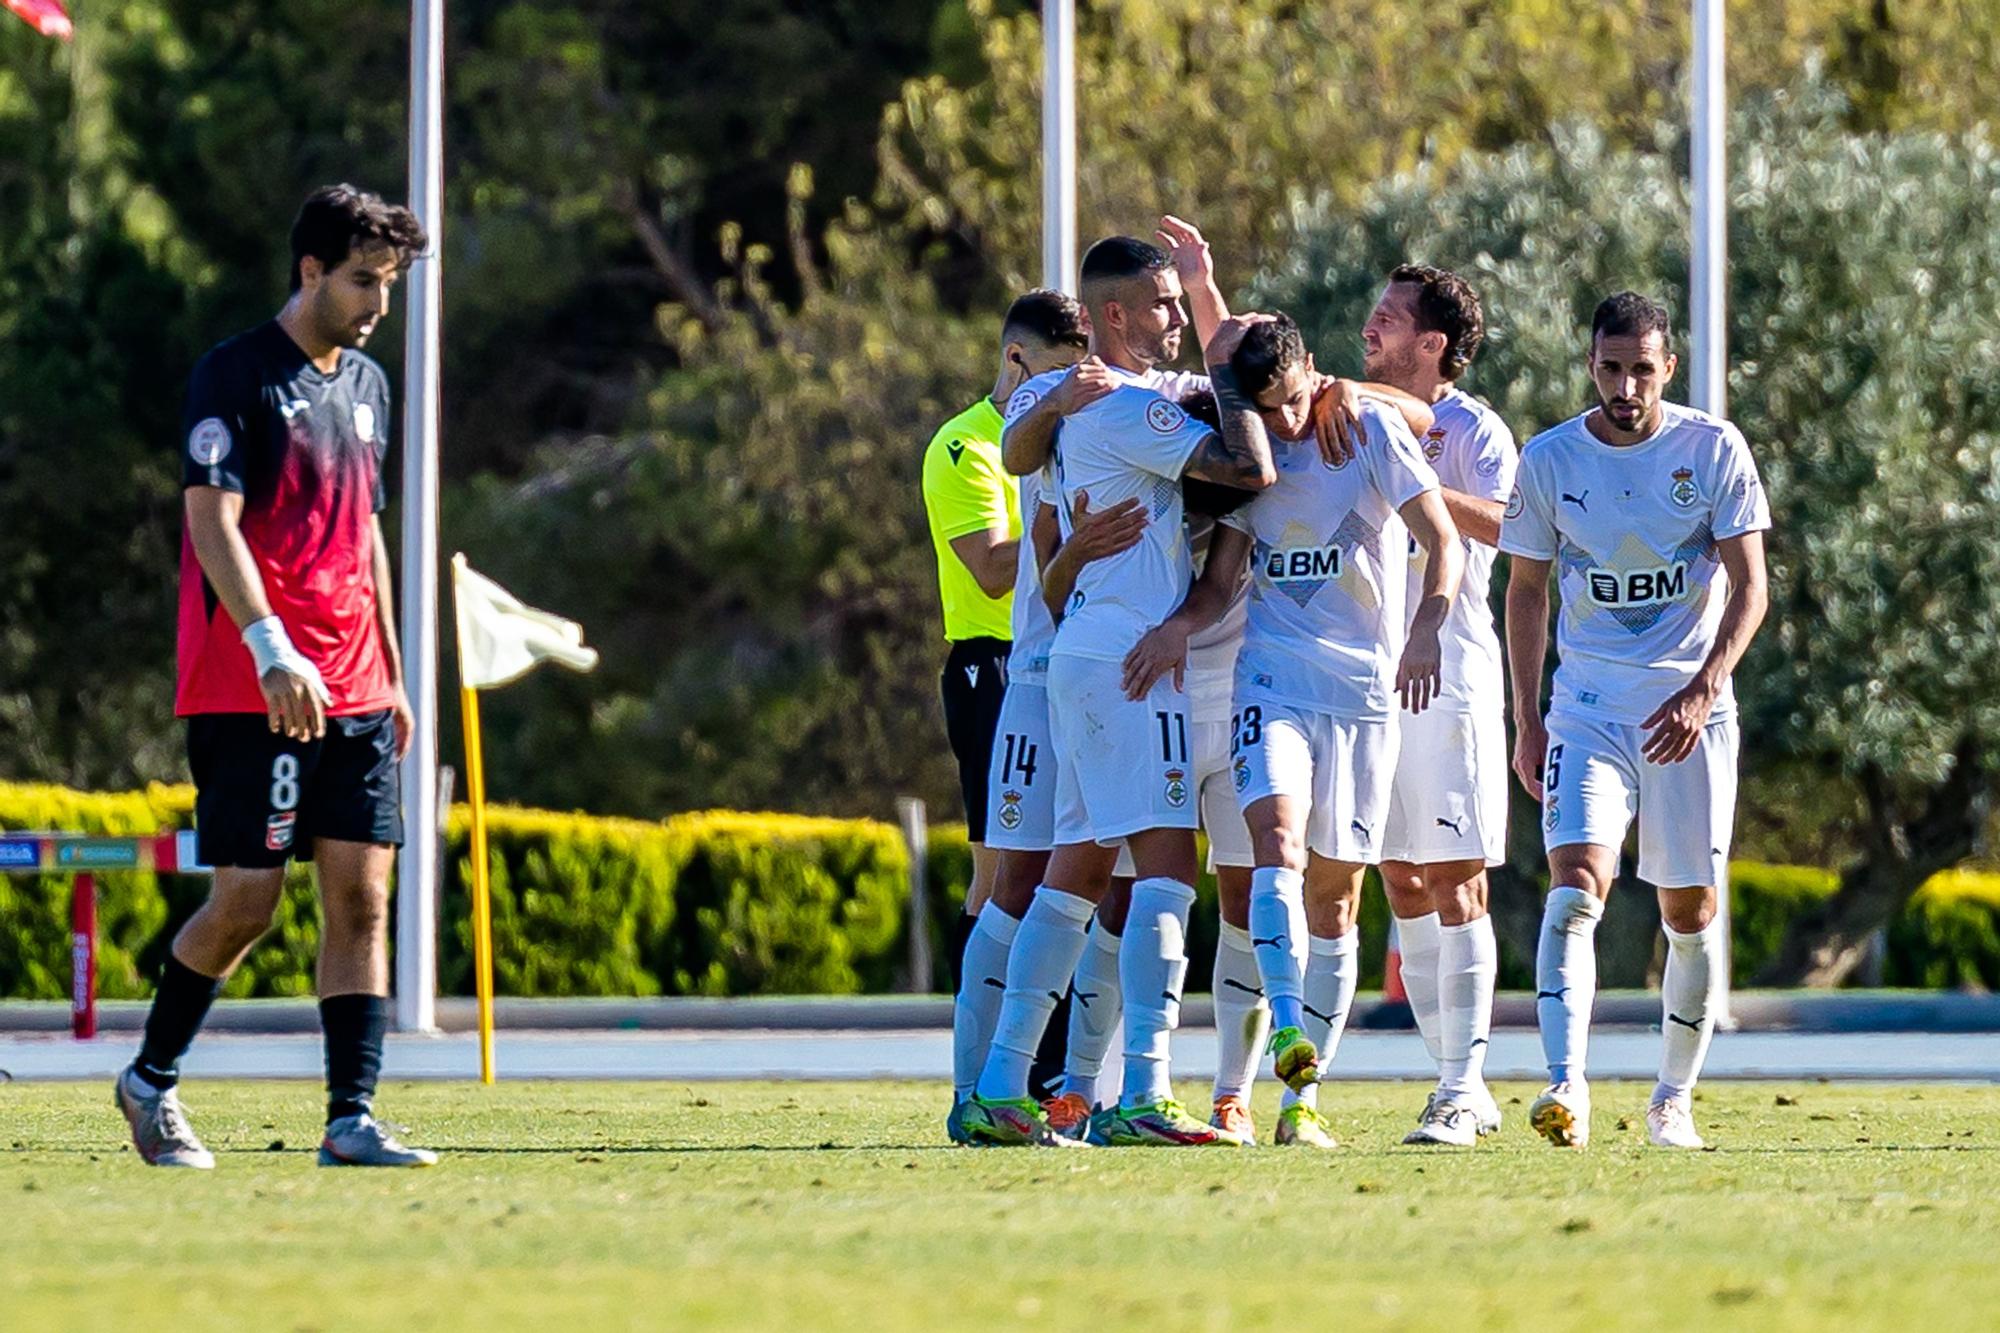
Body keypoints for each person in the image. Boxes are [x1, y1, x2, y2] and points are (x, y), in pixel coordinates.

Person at [116, 184, 434, 1169]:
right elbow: (211, 520)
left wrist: (391, 670)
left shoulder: (370, 388)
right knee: (248, 900)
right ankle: (149, 1081)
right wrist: (271, 647)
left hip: (357, 691)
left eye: (389, 283)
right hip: (250, 685)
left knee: (361, 900)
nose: (380, 303)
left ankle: (352, 1118)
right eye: (364, 281)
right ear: (310, 272)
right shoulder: (234, 374)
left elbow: (365, 535)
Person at [964, 235, 1277, 1148]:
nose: (1179, 320)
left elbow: (1025, 443)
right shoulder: (1124, 406)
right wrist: (1229, 370)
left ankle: (998, 1084)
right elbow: (1247, 470)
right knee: (1169, 866)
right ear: (1113, 316)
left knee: (1079, 871)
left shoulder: (1075, 404)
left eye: (1182, 305)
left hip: (1086, 653)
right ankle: (1143, 1089)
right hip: (1129, 658)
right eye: (1165, 305)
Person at [1184, 316, 1465, 1148]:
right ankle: (1278, 1041)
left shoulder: (1366, 424)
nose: (1289, 423)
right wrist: (1172, 629)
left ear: (1314, 368)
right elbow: (1220, 580)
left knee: (1337, 900)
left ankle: (1303, 1105)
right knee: (1275, 847)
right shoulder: (1248, 454)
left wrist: (1426, 629)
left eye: (1297, 400)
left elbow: (1441, 540)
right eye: (1269, 410)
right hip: (1270, 681)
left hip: (1363, 695)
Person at [1500, 291, 1770, 1150]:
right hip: (1586, 709)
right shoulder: (1548, 460)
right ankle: (1564, 1087)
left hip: (1690, 716)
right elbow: (1527, 591)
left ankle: (1672, 1099)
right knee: (1575, 888)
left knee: (1688, 911)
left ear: (1668, 368)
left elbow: (1753, 589)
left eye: (1641, 370)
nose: (1626, 386)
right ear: (1590, 363)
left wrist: (1702, 688)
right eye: (1610, 368)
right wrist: (1528, 718)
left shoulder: (1713, 448)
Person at [1361, 265, 1518, 1146]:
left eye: (1387, 319)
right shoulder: (1356, 414)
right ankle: (1452, 1078)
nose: (1369, 330)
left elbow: (1509, 523)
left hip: (1450, 669)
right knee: (1399, 875)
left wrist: (1411, 484)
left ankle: (1463, 1083)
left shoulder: (1475, 428)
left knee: (1458, 876)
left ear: (1432, 344)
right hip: (1372, 674)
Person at [922, 289, 1088, 982]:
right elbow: (992, 567)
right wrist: (1074, 529)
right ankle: (979, 1057)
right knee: (999, 874)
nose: (1061, 391)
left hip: (1057, 660)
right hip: (989, 668)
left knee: (1062, 867)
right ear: (1015, 359)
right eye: (1052, 372)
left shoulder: (1067, 437)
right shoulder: (969, 445)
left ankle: (1044, 1065)